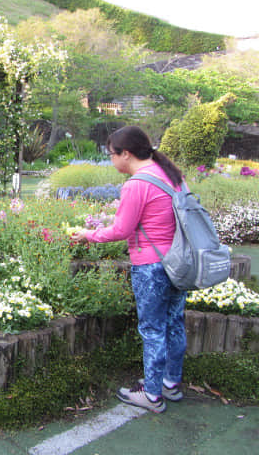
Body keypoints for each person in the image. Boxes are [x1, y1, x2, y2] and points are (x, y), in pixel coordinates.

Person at [70, 125, 186, 413]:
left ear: (126, 154)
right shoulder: (172, 175)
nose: (111, 160)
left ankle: (151, 394)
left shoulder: (137, 184)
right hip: (178, 262)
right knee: (174, 323)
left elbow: (121, 229)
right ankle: (169, 383)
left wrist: (88, 235)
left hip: (151, 265)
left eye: (112, 154)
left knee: (152, 328)